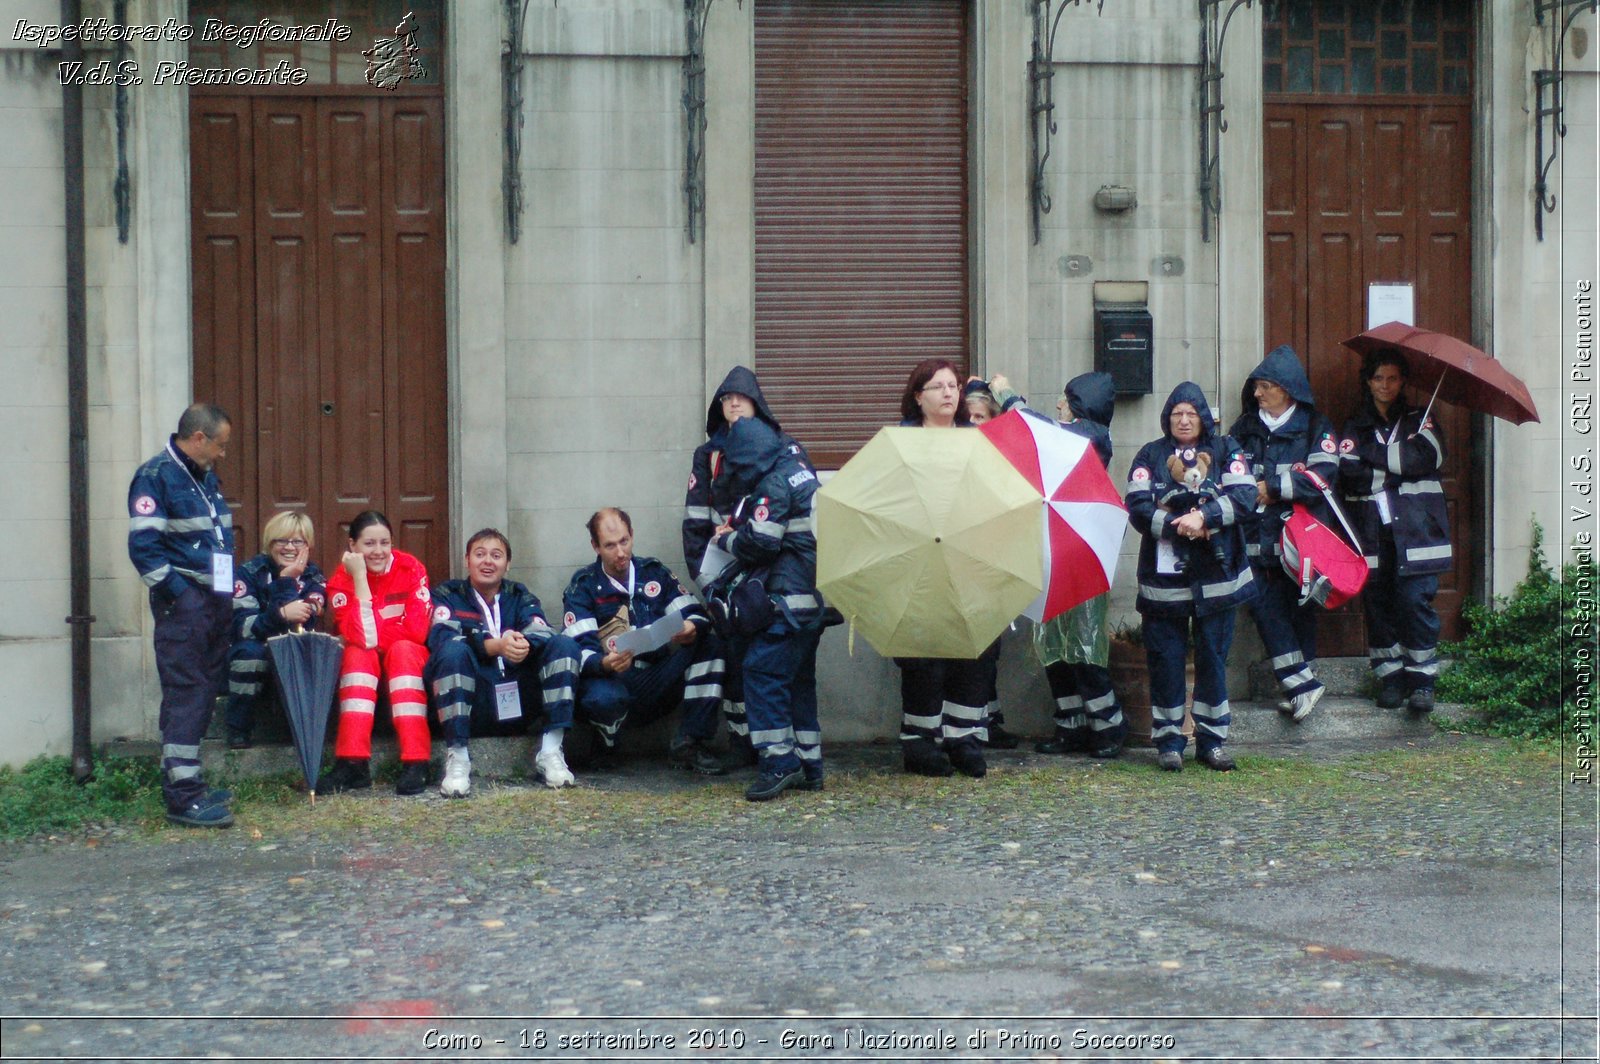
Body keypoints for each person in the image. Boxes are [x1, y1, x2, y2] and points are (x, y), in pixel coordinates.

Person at [992, 371, 1127, 760]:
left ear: (1080, 406)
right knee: (1054, 648)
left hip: (1078, 555)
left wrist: (1006, 395)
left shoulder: (1092, 436)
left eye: (1065, 400)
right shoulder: (1078, 433)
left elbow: (1041, 430)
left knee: (1084, 651)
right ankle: (1071, 727)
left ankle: (1109, 725)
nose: (1058, 405)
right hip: (1053, 548)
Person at [1124, 381, 1257, 771]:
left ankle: (1212, 740)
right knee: (1165, 658)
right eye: (1177, 413)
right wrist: (1176, 524)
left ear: (1204, 418)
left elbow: (1245, 496)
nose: (1184, 420)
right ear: (1167, 418)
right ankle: (1169, 741)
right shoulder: (1150, 454)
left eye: (1191, 413)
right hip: (1165, 580)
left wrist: (1206, 518)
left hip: (1217, 577)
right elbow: (1136, 504)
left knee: (1214, 657)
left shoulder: (1226, 450)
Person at [683, 366, 813, 764]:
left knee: (775, 667)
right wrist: (708, 584)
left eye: (741, 396)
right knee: (738, 660)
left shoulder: (784, 449)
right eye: (726, 398)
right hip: (728, 576)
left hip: (774, 573)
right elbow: (695, 522)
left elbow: (780, 525)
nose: (734, 403)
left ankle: (781, 752)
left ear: (757, 403)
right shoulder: (708, 457)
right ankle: (745, 743)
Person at [128, 402, 238, 828]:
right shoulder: (155, 477)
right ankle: (183, 799)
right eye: (220, 445)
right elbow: (144, 549)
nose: (223, 454)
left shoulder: (203, 476)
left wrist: (226, 594)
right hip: (186, 605)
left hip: (213, 601)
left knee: (203, 689)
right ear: (198, 439)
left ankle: (186, 781)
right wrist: (182, 595)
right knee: (186, 691)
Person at [706, 415, 826, 800]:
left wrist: (726, 540)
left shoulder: (771, 484)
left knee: (760, 670)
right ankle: (810, 764)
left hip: (787, 603)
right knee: (798, 681)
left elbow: (761, 542)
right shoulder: (799, 471)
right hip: (813, 603)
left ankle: (779, 762)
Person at [563, 508, 727, 774]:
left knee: (711, 646)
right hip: (612, 681)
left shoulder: (654, 573)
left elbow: (696, 612)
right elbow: (577, 647)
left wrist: (690, 626)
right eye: (610, 545)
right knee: (600, 698)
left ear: (632, 536)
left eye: (624, 541)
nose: (620, 552)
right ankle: (606, 742)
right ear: (595, 546)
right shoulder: (583, 587)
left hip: (656, 680)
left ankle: (690, 741)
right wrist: (604, 663)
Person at [1227, 345, 1340, 722]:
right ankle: (1302, 683)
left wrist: (1272, 487)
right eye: (1256, 387)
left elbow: (1321, 477)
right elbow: (1230, 476)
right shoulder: (1244, 429)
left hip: (1300, 541)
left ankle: (1299, 690)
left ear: (1287, 390)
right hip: (1255, 539)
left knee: (1300, 611)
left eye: (1265, 387)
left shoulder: (1315, 427)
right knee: (1261, 603)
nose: (1257, 394)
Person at [425, 529, 585, 795]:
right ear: (467, 560)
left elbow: (541, 628)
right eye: (480, 554)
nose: (488, 561)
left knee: (564, 645)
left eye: (496, 555)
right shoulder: (447, 594)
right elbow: (440, 636)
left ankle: (550, 751)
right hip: (475, 702)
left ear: (507, 564)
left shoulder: (519, 595)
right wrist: (493, 646)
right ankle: (458, 758)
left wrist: (522, 645)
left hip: (518, 699)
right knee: (451, 653)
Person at [893, 358, 992, 778]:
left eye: (953, 386)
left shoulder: (976, 440)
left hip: (966, 559)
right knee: (924, 655)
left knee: (973, 650)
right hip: (918, 561)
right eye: (938, 386)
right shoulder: (900, 442)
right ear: (919, 396)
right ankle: (920, 742)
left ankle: (964, 738)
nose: (949, 393)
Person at [1339, 348, 1451, 713]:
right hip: (1372, 532)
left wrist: (1374, 455)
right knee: (1378, 604)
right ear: (1368, 382)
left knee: (1414, 602)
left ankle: (1422, 682)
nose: (1384, 385)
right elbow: (1349, 472)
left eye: (1392, 378)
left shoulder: (1422, 419)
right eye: (1377, 378)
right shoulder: (1355, 425)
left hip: (1417, 532)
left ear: (1402, 381)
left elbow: (1428, 457)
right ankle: (1390, 678)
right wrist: (1399, 463)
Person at [320, 511, 433, 795]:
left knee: (404, 651)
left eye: (385, 543)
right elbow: (363, 637)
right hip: (366, 658)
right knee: (358, 654)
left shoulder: (411, 569)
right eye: (369, 544)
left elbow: (417, 632)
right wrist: (359, 579)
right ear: (352, 546)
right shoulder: (340, 580)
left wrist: (381, 635)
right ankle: (353, 762)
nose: (379, 551)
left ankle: (416, 762)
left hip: (405, 658)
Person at [224, 511, 326, 749]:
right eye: (282, 540)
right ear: (269, 543)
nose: (289, 547)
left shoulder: (314, 577)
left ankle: (296, 728)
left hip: (291, 651)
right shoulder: (247, 574)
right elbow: (243, 627)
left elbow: (304, 622)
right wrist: (280, 614)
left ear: (307, 545)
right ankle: (239, 728)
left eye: (297, 541)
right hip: (254, 650)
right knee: (249, 653)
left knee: (307, 652)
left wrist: (287, 581)